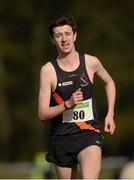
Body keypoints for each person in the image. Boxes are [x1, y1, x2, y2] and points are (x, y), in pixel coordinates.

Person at [38, 14, 116, 179]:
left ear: (75, 35)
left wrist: (110, 114)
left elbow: (109, 83)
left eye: (67, 34)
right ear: (52, 40)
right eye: (58, 36)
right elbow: (42, 113)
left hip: (89, 133)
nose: (64, 39)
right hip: (62, 137)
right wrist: (67, 104)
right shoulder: (48, 71)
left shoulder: (91, 62)